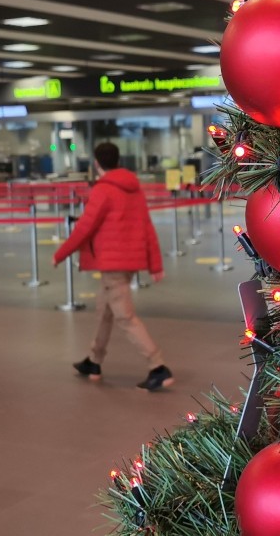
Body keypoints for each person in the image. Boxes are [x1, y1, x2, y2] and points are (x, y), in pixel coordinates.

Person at [53, 142, 173, 391]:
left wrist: (61, 254)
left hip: (113, 264)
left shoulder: (103, 190)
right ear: (118, 160)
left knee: (124, 316)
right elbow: (147, 227)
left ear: (96, 163)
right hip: (127, 263)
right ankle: (94, 361)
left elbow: (85, 226)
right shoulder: (133, 188)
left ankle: (157, 366)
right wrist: (155, 264)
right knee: (103, 311)